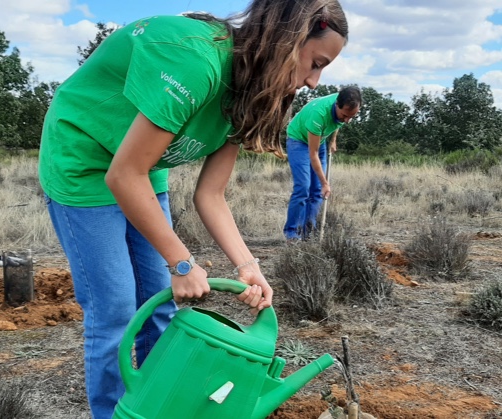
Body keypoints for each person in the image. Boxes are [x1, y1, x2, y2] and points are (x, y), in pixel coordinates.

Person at [37, 0, 349, 417]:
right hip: (83, 161)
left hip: (141, 168)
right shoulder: (195, 60)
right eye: (315, 62)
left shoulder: (251, 89)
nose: (314, 81)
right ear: (288, 38)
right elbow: (122, 176)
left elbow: (210, 194)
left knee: (159, 303)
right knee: (114, 313)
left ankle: (157, 406)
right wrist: (182, 263)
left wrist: (247, 265)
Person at [283, 86, 361, 242]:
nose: (347, 120)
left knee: (317, 192)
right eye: (345, 115)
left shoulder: (344, 107)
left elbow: (337, 123)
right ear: (336, 105)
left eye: (351, 117)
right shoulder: (319, 114)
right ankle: (292, 233)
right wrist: (325, 183)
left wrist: (333, 140)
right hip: (299, 140)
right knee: (304, 187)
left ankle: (309, 233)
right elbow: (313, 154)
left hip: (321, 140)